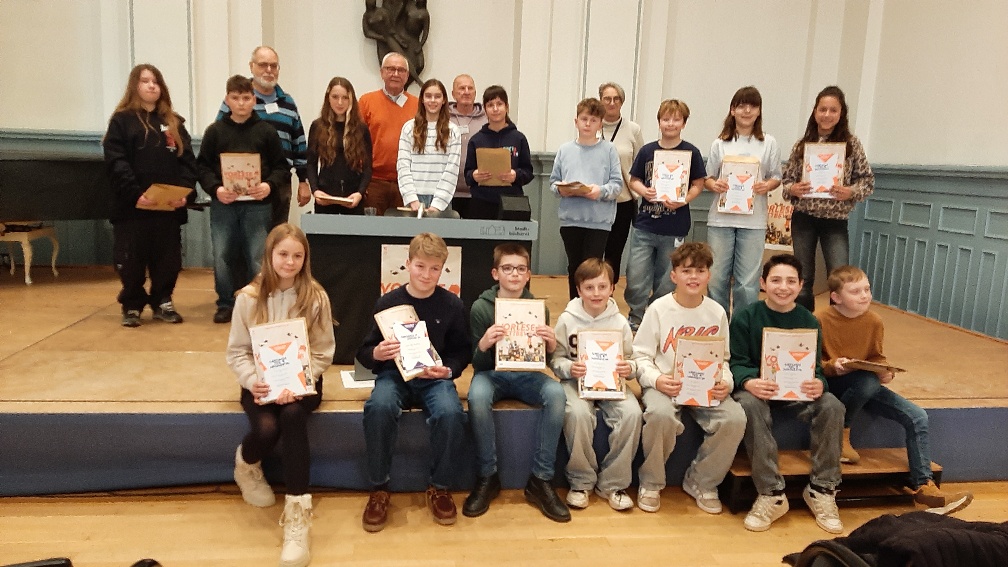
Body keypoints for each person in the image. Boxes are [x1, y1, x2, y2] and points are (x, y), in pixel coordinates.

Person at [816, 265, 973, 514]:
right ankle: (842, 430)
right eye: (855, 291)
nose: (864, 296)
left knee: (917, 416)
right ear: (836, 297)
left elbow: (876, 356)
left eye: (867, 289)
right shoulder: (820, 319)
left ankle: (924, 486)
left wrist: (885, 371)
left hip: (866, 386)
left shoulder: (874, 321)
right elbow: (814, 365)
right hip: (835, 385)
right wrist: (833, 366)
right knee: (867, 382)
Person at [226, 223, 335, 567]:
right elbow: (237, 352)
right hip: (260, 383)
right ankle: (246, 466)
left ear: (305, 259)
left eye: (297, 256)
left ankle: (298, 517)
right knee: (266, 428)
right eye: (283, 254)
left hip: (304, 384)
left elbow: (323, 351)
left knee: (291, 416)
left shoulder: (316, 297)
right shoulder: (247, 298)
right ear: (269, 255)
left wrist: (301, 380)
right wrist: (252, 380)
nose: (290, 262)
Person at [358, 232, 472, 532]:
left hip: (434, 380)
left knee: (451, 413)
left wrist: (448, 370)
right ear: (407, 264)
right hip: (394, 376)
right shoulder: (388, 303)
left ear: (443, 269)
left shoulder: (452, 305)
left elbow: (462, 351)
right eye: (420, 266)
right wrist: (378, 353)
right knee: (378, 407)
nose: (426, 274)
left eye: (434, 268)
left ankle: (440, 486)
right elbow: (364, 352)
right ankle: (379, 487)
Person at [729, 254, 845, 534]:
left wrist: (819, 383)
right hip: (759, 393)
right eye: (776, 280)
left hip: (797, 394)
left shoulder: (808, 320)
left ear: (801, 285)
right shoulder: (746, 317)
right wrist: (749, 381)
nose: (783, 287)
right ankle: (771, 493)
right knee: (748, 404)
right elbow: (735, 362)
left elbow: (815, 367)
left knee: (832, 405)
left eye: (791, 281)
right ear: (763, 283)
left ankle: (822, 488)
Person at [631, 242, 746, 514]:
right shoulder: (658, 309)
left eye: (700, 271)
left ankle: (701, 481)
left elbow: (724, 359)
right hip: (665, 384)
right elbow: (640, 356)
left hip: (706, 387)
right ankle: (651, 482)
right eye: (686, 271)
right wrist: (657, 380)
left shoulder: (717, 312)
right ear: (674, 275)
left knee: (735, 419)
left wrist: (726, 382)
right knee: (659, 415)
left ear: (709, 276)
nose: (693, 277)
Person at [464, 243, 570, 522]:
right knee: (476, 398)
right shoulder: (481, 307)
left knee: (556, 394)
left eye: (521, 269)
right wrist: (484, 344)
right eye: (508, 268)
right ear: (495, 273)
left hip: (527, 375)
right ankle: (487, 475)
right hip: (491, 374)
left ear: (528, 274)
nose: (514, 274)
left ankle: (541, 479)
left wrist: (550, 346)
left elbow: (541, 362)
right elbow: (477, 364)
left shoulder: (537, 309)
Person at [102, 64, 197, 328]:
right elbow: (117, 162)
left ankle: (163, 300)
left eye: (156, 81)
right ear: (135, 86)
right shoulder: (122, 121)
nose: (152, 85)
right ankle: (132, 305)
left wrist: (185, 194)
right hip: (133, 208)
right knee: (131, 260)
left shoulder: (174, 123)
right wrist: (135, 194)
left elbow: (188, 163)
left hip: (168, 208)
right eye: (145, 81)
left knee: (168, 260)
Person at [198, 75, 291, 324]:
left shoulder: (266, 132)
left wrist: (268, 185)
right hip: (224, 204)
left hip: (257, 206)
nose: (241, 103)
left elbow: (281, 167)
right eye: (236, 98)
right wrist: (216, 189)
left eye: (246, 98)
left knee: (257, 256)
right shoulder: (215, 132)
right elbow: (202, 167)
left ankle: (259, 302)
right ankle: (226, 303)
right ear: (227, 100)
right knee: (222, 255)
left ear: (254, 100)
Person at [551, 258, 641, 511]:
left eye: (602, 287)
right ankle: (581, 482)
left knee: (632, 414)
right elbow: (555, 359)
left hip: (612, 383)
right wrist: (569, 368)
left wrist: (629, 368)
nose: (596, 293)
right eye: (589, 287)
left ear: (612, 288)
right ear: (578, 290)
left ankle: (614, 484)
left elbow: (633, 359)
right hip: (575, 382)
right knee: (576, 414)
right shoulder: (567, 320)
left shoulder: (620, 322)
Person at [782, 85, 874, 312]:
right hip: (804, 217)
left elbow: (867, 181)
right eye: (822, 109)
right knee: (803, 276)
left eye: (833, 110)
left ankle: (836, 323)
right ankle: (804, 322)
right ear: (815, 112)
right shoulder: (802, 146)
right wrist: (794, 188)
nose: (827, 115)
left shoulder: (851, 145)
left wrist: (850, 191)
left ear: (841, 113)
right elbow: (786, 182)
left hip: (835, 220)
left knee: (840, 276)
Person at [625, 99, 706, 331]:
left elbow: (698, 184)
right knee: (636, 274)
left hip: (674, 227)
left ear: (684, 123)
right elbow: (634, 180)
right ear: (659, 122)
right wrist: (645, 192)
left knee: (666, 278)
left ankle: (656, 316)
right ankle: (636, 315)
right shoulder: (647, 150)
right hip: (645, 225)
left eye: (676, 119)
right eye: (666, 119)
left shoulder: (691, 152)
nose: (670, 123)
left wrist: (684, 199)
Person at [704, 86, 782, 317]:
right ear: (732, 110)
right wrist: (714, 185)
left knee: (747, 283)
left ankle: (742, 327)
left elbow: (776, 176)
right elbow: (707, 177)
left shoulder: (769, 142)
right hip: (721, 220)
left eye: (752, 106)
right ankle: (719, 326)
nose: (747, 111)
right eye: (741, 106)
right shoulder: (720, 143)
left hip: (754, 221)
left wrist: (767, 185)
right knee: (716, 278)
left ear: (759, 111)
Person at [216, 46, 309, 227]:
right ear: (251, 66)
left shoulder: (288, 102)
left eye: (273, 66)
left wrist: (303, 180)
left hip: (279, 183)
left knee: (277, 236)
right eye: (263, 65)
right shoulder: (235, 101)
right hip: (243, 184)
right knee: (250, 240)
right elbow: (219, 139)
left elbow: (299, 142)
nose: (268, 70)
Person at [549, 98, 623, 299]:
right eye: (584, 119)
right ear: (576, 122)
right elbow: (553, 182)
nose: (588, 124)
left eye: (593, 120)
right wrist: (562, 189)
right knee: (574, 267)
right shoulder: (565, 150)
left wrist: (599, 191)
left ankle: (592, 304)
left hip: (599, 221)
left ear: (600, 124)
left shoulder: (609, 150)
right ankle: (575, 306)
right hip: (571, 219)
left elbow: (617, 185)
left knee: (591, 268)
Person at [359, 52, 420, 215]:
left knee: (405, 229)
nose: (396, 74)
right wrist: (360, 183)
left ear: (407, 75)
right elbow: (356, 143)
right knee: (373, 228)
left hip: (407, 184)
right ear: (382, 73)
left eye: (401, 70)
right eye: (391, 69)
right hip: (374, 182)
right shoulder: (366, 102)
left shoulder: (418, 105)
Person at [463, 85, 534, 220]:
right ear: (485, 110)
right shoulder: (476, 140)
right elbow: (467, 174)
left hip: (512, 201)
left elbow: (528, 172)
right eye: (490, 105)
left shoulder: (518, 138)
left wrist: (515, 175)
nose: (495, 109)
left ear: (507, 107)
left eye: (499, 104)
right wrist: (474, 176)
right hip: (481, 201)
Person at [598, 82, 644, 285]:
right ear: (600, 100)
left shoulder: (633, 129)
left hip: (622, 202)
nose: (611, 102)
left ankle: (609, 291)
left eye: (616, 98)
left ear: (622, 102)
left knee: (614, 252)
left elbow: (641, 164)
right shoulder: (592, 126)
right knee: (593, 252)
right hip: (595, 201)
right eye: (607, 98)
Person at [306, 77, 373, 215]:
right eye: (335, 97)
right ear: (328, 98)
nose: (340, 102)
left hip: (353, 198)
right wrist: (315, 190)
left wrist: (360, 193)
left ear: (351, 100)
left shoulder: (361, 129)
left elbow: (368, 167)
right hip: (325, 196)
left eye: (345, 98)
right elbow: (311, 163)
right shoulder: (317, 126)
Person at [397, 78, 461, 213]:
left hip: (442, 200)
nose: (432, 100)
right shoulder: (409, 128)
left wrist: (438, 204)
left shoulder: (453, 131)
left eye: (437, 96)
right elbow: (403, 165)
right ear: (422, 99)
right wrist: (411, 199)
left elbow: (452, 170)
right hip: (414, 198)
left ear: (444, 100)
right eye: (428, 96)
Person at [448, 74, 488, 217]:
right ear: (453, 93)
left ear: (475, 93)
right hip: (447, 193)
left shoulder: (487, 118)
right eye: (461, 88)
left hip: (478, 193)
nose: (466, 92)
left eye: (470, 88)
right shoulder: (443, 117)